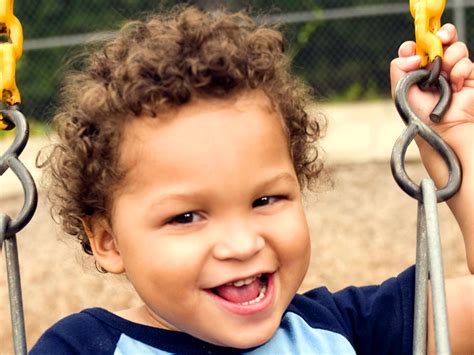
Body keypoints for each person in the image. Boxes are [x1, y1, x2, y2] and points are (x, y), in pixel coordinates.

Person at [30, 6, 473, 354]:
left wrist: (458, 143)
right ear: (108, 240)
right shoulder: (81, 348)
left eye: (265, 200)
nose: (242, 245)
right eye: (186, 216)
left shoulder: (345, 330)